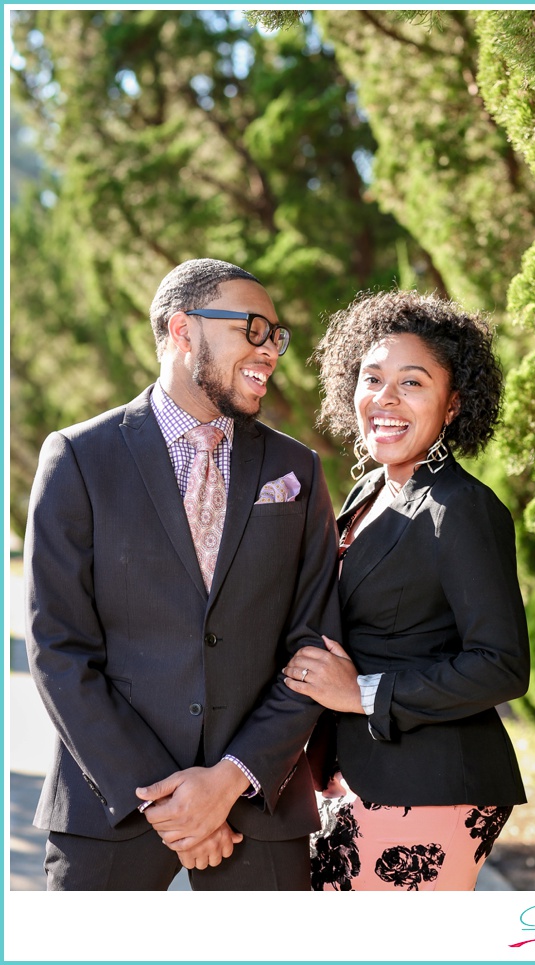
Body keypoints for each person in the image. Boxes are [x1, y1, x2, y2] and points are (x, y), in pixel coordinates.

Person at [24, 258, 341, 889]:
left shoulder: (296, 470)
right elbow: (59, 648)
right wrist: (170, 805)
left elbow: (313, 646)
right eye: (252, 329)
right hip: (112, 801)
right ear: (182, 330)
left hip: (259, 799)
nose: (270, 350)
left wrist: (229, 780)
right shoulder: (79, 458)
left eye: (275, 335)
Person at [283, 288, 529, 891]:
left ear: (453, 406)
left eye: (412, 383)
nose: (385, 399)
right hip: (361, 777)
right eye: (372, 379)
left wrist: (362, 692)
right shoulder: (368, 491)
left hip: (432, 787)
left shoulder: (462, 508)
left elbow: (501, 666)